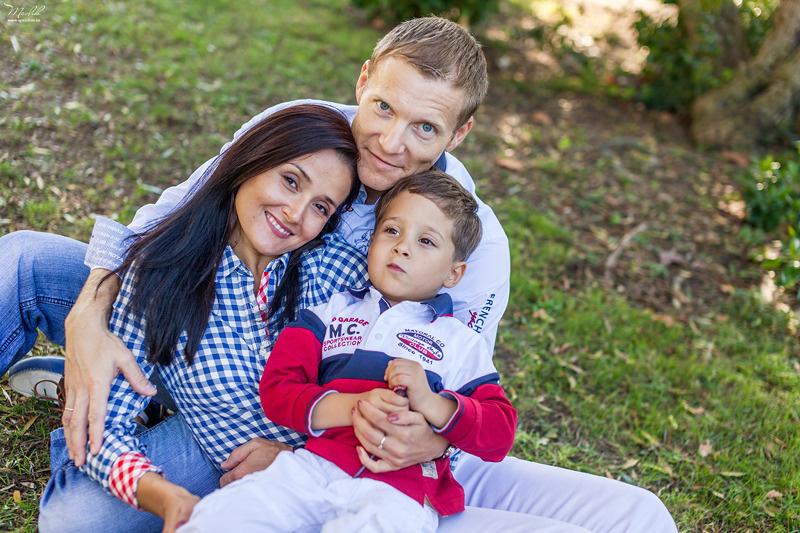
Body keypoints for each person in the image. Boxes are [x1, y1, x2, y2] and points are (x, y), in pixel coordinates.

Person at [4, 16, 678, 532]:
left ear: (459, 134)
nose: (389, 141)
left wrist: (314, 448)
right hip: (199, 308)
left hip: (295, 409)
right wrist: (90, 315)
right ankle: (107, 377)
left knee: (81, 519)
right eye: (383, 108)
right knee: (25, 260)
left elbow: (446, 375)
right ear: (363, 81)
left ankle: (113, 397)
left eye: (424, 128)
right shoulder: (293, 128)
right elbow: (168, 217)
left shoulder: (467, 238)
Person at [38, 104, 369, 532]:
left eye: (321, 207)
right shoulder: (161, 274)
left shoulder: (339, 272)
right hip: (219, 459)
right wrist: (166, 497)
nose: (296, 213)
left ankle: (116, 406)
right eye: (290, 181)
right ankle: (90, 397)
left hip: (332, 473)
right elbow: (108, 434)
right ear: (252, 160)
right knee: (73, 521)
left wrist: (304, 458)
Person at [180, 173, 517, 532]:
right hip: (312, 467)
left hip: (399, 492)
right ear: (371, 242)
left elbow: (500, 433)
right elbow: (278, 390)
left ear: (454, 273)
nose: (402, 247)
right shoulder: (329, 314)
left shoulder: (459, 343)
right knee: (222, 516)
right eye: (391, 231)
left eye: (425, 241)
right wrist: (358, 406)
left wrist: (433, 404)